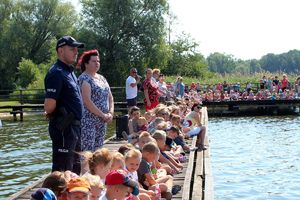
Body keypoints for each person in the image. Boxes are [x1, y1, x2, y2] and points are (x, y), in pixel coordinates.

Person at [44, 35, 84, 175]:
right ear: (61, 51)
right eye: (72, 48)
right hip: (64, 128)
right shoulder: (56, 73)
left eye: (76, 49)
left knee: (75, 168)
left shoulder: (70, 72)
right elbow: (49, 106)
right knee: (62, 171)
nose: (76, 52)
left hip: (75, 128)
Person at [77, 49, 114, 151]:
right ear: (86, 63)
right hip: (89, 121)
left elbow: (110, 97)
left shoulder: (102, 78)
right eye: (94, 61)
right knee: (87, 151)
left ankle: (96, 167)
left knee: (98, 151)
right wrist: (103, 115)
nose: (97, 63)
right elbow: (87, 101)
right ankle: (86, 168)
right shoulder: (84, 79)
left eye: (98, 61)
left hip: (102, 121)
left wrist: (110, 113)